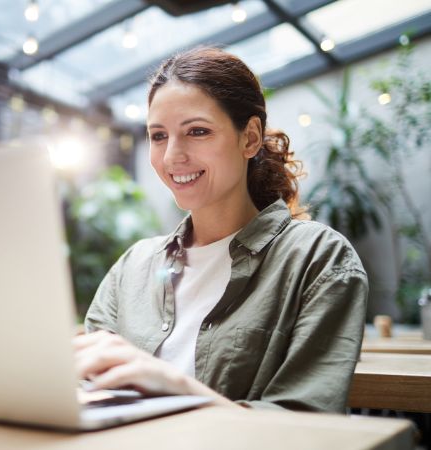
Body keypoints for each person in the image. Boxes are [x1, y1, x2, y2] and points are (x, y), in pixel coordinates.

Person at [73, 47, 368, 412]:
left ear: (250, 138)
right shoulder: (132, 267)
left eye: (197, 131)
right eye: (158, 135)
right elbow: (85, 395)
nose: (171, 157)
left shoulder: (318, 260)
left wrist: (172, 385)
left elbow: (307, 429)